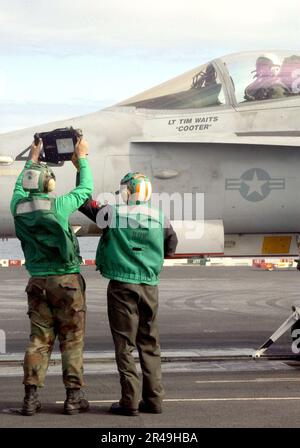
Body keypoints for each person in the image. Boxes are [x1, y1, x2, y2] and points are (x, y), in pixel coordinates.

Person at [78, 172, 178, 416]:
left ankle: (129, 401)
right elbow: (172, 246)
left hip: (122, 287)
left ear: (126, 192)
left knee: (125, 346)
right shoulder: (160, 217)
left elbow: (83, 202)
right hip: (149, 286)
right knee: (150, 343)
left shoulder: (112, 214)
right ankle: (154, 400)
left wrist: (81, 166)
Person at [10, 137, 93, 416]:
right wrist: (81, 158)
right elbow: (86, 189)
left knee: (38, 340)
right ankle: (73, 398)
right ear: (50, 185)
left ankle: (30, 399)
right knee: (71, 340)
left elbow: (19, 187)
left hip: (37, 281)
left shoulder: (18, 207)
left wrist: (32, 159)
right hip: (66, 282)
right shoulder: (58, 206)